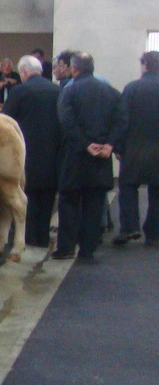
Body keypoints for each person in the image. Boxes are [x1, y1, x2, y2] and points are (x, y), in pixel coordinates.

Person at [53, 52, 124, 261]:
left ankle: (66, 248)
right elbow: (121, 121)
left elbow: (66, 121)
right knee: (94, 204)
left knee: (69, 202)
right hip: (101, 158)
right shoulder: (112, 92)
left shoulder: (69, 91)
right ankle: (88, 250)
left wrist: (85, 144)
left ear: (74, 68)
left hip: (74, 156)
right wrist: (109, 144)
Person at [2, 55, 61, 247]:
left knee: (27, 195)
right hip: (52, 151)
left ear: (23, 71)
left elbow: (6, 120)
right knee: (48, 196)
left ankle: (28, 236)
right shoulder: (57, 90)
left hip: (25, 152)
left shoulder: (19, 91)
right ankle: (43, 236)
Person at [113, 50, 159, 247]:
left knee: (127, 187)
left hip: (134, 149)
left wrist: (118, 146)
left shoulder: (132, 88)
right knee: (157, 192)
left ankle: (130, 227)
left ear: (145, 65)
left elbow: (122, 120)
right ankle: (154, 232)